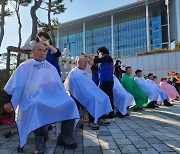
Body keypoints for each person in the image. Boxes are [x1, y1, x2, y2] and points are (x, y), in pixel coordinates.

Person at [3, 43, 79, 153]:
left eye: (44, 50)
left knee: (69, 102)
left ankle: (65, 136)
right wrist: (7, 101)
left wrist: (59, 94)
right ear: (33, 52)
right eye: (39, 50)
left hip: (51, 96)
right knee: (37, 105)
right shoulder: (24, 67)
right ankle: (41, 138)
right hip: (31, 98)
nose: (42, 52)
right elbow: (12, 85)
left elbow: (57, 86)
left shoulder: (50, 67)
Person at [64, 57, 112, 130]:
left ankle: (100, 117)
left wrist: (94, 91)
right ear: (78, 63)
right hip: (80, 94)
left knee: (104, 97)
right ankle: (91, 121)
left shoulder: (84, 72)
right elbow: (71, 85)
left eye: (86, 63)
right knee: (93, 99)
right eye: (84, 62)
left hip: (89, 92)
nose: (86, 64)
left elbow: (90, 84)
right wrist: (84, 92)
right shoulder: (74, 72)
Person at [94, 47, 114, 119]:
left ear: (102, 52)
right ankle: (106, 112)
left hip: (107, 81)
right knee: (105, 97)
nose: (98, 54)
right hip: (103, 81)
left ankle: (110, 113)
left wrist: (94, 58)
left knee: (108, 98)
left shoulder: (107, 57)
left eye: (98, 52)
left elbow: (97, 60)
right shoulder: (103, 60)